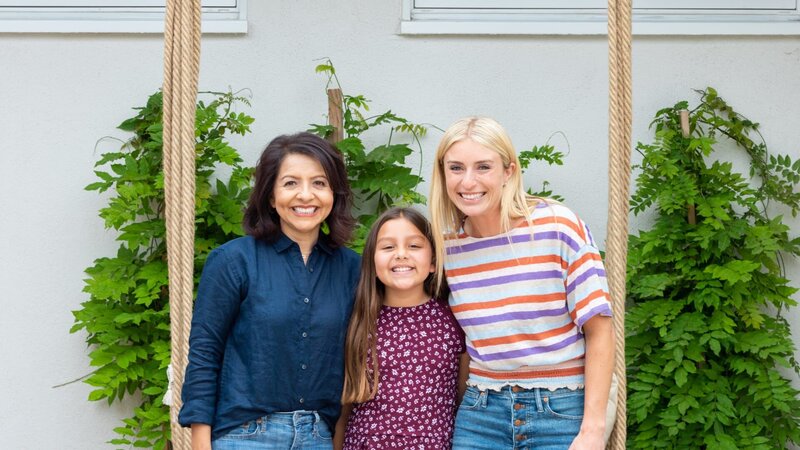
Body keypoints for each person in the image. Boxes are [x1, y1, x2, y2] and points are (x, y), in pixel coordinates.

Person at [428, 117, 615, 450]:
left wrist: (592, 430)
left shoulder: (558, 227)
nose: (468, 181)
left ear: (509, 171)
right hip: (481, 414)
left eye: (483, 167)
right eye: (456, 168)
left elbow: (600, 330)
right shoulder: (448, 247)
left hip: (561, 410)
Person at [178, 132, 361, 450]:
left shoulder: (352, 269)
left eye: (319, 183)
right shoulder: (233, 260)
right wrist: (200, 443)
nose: (306, 195)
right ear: (271, 196)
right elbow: (205, 354)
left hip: (318, 437)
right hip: (245, 436)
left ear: (334, 193)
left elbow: (354, 360)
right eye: (290, 183)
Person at [337, 207, 466, 450]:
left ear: (433, 262)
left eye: (414, 246)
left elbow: (463, 400)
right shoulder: (358, 320)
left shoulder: (454, 320)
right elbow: (343, 411)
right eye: (388, 247)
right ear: (372, 262)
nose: (401, 254)